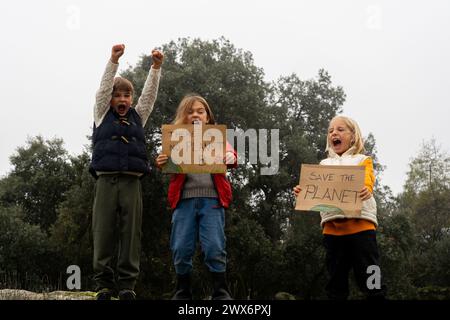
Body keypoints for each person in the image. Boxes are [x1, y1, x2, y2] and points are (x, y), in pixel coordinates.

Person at [89, 44, 164, 300]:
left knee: (131, 233)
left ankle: (127, 286)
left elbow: (149, 97)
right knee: (103, 231)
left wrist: (155, 68)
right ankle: (103, 285)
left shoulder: (138, 117)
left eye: (127, 96)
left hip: (132, 183)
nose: (123, 100)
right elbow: (102, 88)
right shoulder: (101, 113)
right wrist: (113, 61)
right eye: (117, 95)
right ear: (110, 99)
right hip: (106, 181)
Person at [293, 115, 386, 300]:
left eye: (340, 129)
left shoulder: (363, 160)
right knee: (335, 282)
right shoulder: (323, 165)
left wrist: (367, 189)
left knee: (371, 278)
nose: (334, 133)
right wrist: (302, 192)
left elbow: (368, 180)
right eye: (330, 131)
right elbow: (315, 190)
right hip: (332, 233)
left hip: (362, 229)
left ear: (353, 136)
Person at [155, 94, 237, 300]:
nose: (195, 115)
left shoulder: (216, 138)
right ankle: (183, 292)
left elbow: (232, 155)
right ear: (183, 117)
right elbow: (167, 164)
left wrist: (230, 157)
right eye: (190, 112)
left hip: (212, 201)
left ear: (208, 117)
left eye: (200, 111)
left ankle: (221, 291)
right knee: (181, 247)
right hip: (184, 201)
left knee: (214, 247)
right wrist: (162, 160)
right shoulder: (175, 139)